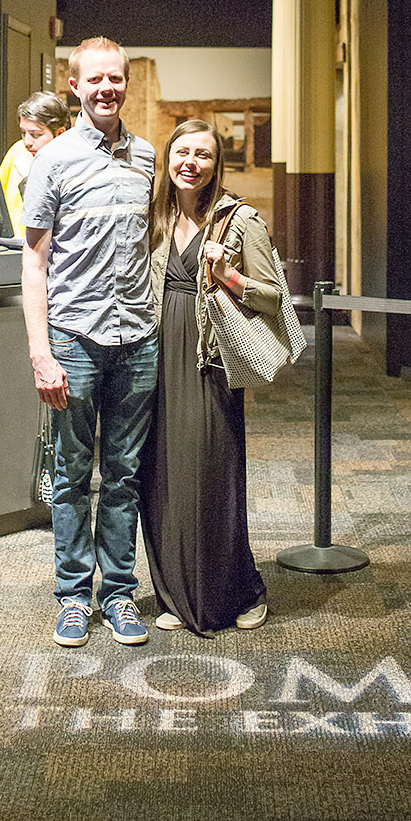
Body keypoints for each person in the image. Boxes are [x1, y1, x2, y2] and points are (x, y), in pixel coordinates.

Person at [21, 37, 157, 648]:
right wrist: (40, 352)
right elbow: (35, 264)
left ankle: (121, 593)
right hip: (73, 338)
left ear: (127, 83)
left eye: (116, 79)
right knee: (73, 475)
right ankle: (75, 596)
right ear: (73, 86)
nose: (106, 88)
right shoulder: (52, 161)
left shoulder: (148, 158)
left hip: (137, 340)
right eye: (94, 79)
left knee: (125, 474)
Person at [140, 117, 281, 636]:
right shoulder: (153, 217)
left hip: (209, 359)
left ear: (217, 165)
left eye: (202, 155)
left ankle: (239, 589)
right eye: (182, 152)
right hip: (153, 354)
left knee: (211, 472)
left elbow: (274, 296)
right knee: (160, 475)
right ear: (168, 159)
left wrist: (231, 277)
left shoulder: (239, 221)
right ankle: (174, 591)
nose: (190, 163)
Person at [0, 92, 71, 238]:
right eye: (23, 133)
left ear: (60, 134)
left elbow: (44, 216)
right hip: (11, 248)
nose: (27, 142)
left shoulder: (71, 165)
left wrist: (28, 178)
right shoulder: (18, 150)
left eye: (36, 134)